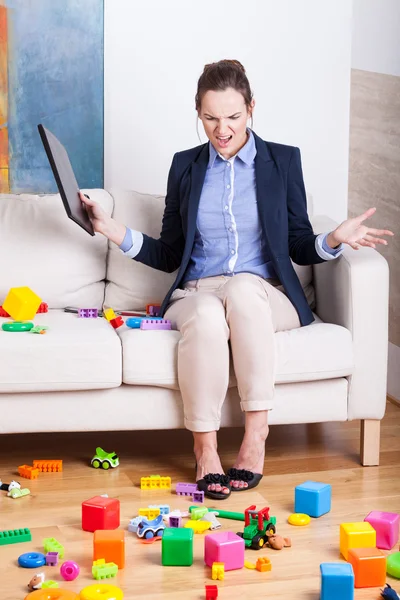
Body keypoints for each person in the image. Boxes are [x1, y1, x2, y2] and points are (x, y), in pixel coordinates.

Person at [81, 59, 394, 500]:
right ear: (198, 113)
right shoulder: (186, 167)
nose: (221, 129)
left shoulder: (282, 162)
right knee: (209, 316)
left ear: (250, 109)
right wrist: (113, 229)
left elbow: (300, 244)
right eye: (210, 117)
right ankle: (205, 451)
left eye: (232, 116)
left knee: (244, 290)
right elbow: (171, 252)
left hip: (264, 294)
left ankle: (255, 436)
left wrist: (332, 240)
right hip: (199, 293)